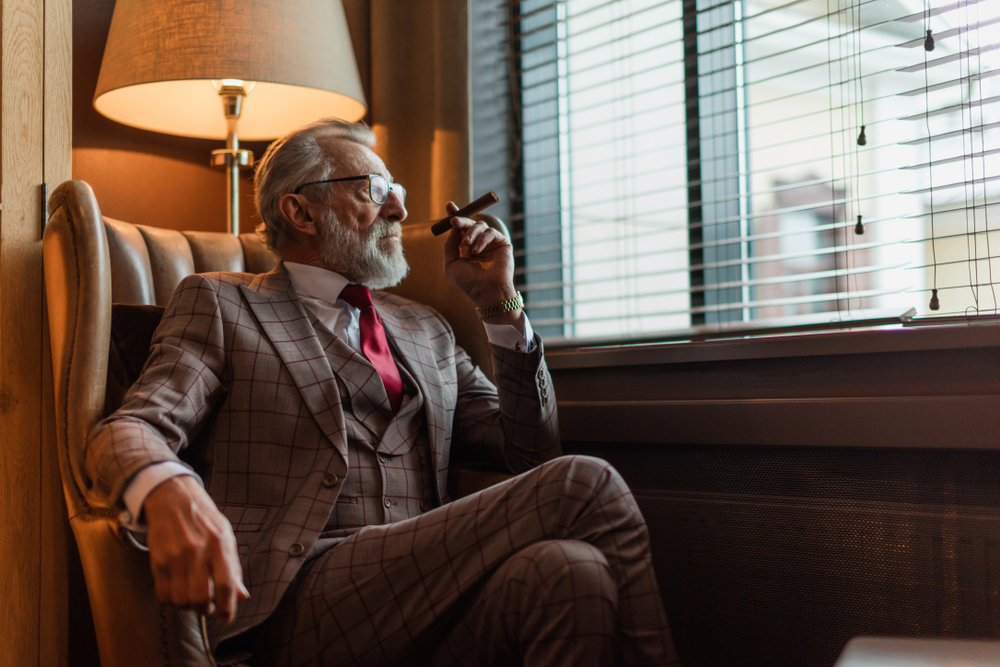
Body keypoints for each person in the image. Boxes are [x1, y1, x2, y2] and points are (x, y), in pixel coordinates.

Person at [87, 119, 679, 666]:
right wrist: (170, 490)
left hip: (424, 598)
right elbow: (130, 427)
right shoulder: (224, 303)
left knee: (571, 571)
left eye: (394, 186)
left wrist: (499, 304)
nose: (401, 205)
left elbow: (529, 453)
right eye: (375, 188)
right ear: (301, 210)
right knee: (586, 482)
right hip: (293, 600)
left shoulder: (426, 327)